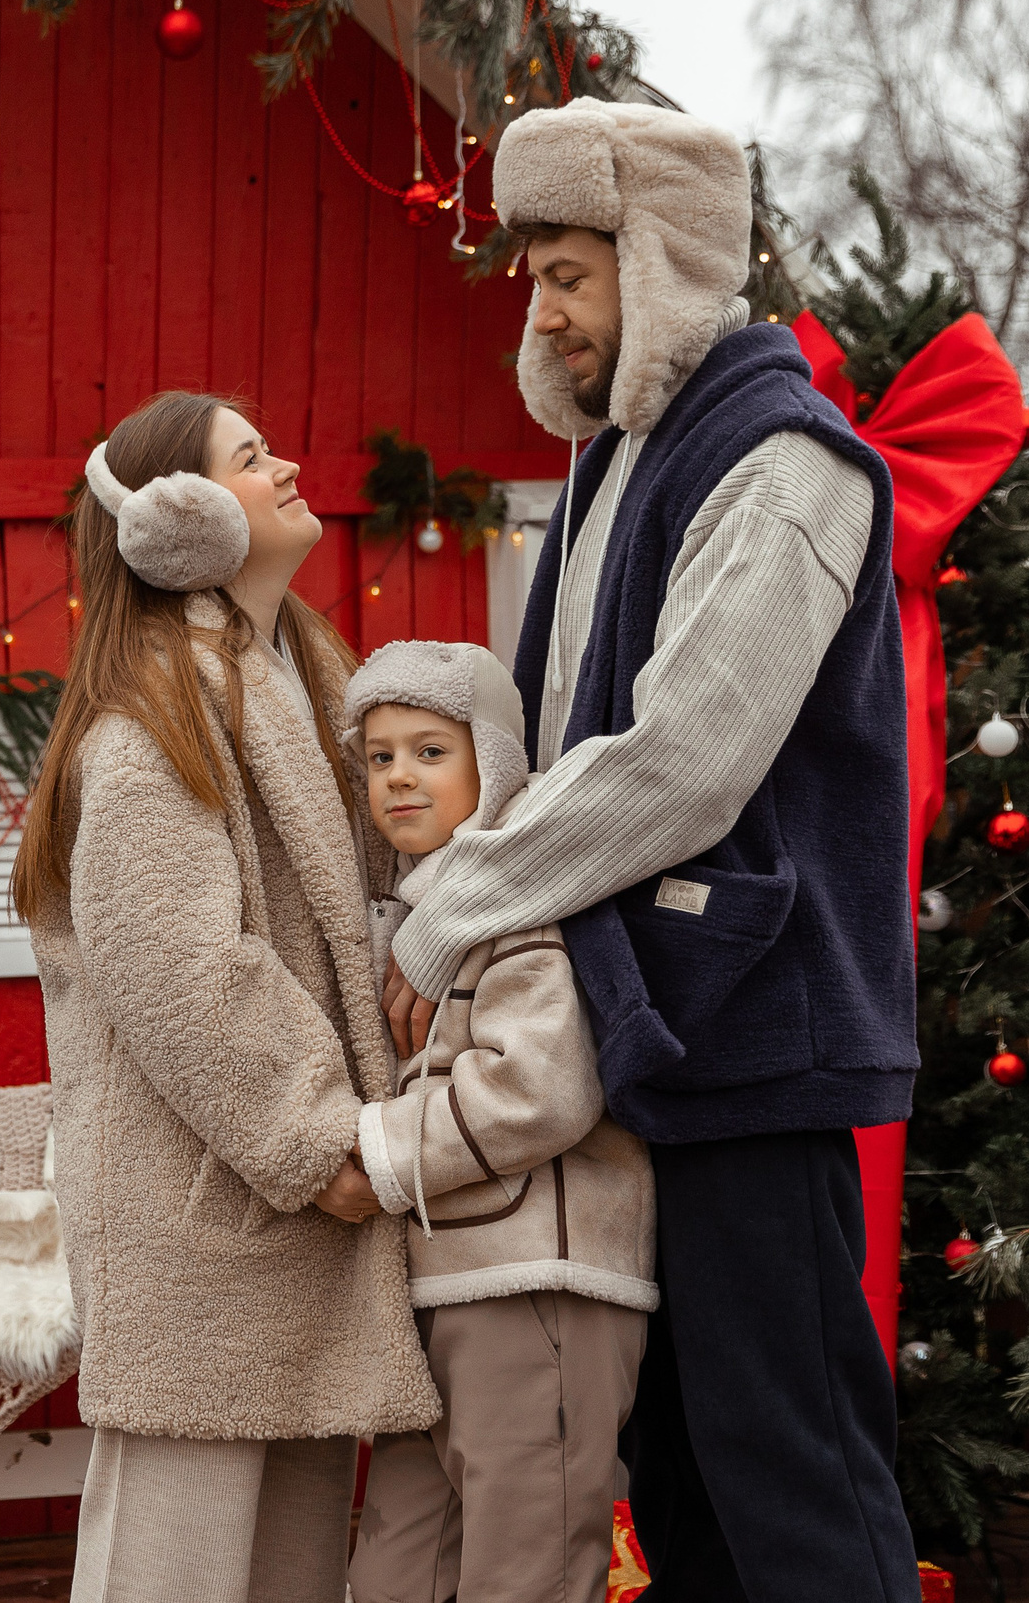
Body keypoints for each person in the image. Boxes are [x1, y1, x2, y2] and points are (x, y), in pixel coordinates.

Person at [384, 100, 922, 1600]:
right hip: (651, 1045)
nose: (542, 313)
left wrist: (449, 913)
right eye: (537, 278)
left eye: (569, 273)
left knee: (794, 1477)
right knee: (682, 1485)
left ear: (667, 258)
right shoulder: (618, 455)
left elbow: (683, 760)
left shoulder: (787, 462)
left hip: (757, 1040)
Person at [10, 389, 439, 1603]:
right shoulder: (152, 723)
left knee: (287, 1572)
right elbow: (183, 967)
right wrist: (319, 1140)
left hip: (290, 1220)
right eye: (252, 457)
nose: (290, 464)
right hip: (212, 1219)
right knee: (174, 1575)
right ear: (179, 517)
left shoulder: (296, 678)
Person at [336, 639, 657, 1603]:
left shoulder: (523, 897)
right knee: (398, 1567)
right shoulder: (400, 910)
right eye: (379, 755)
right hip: (431, 1288)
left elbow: (540, 1089)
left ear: (493, 758)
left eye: (430, 750)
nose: (398, 776)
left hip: (536, 1279)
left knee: (528, 1565)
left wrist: (379, 1153)